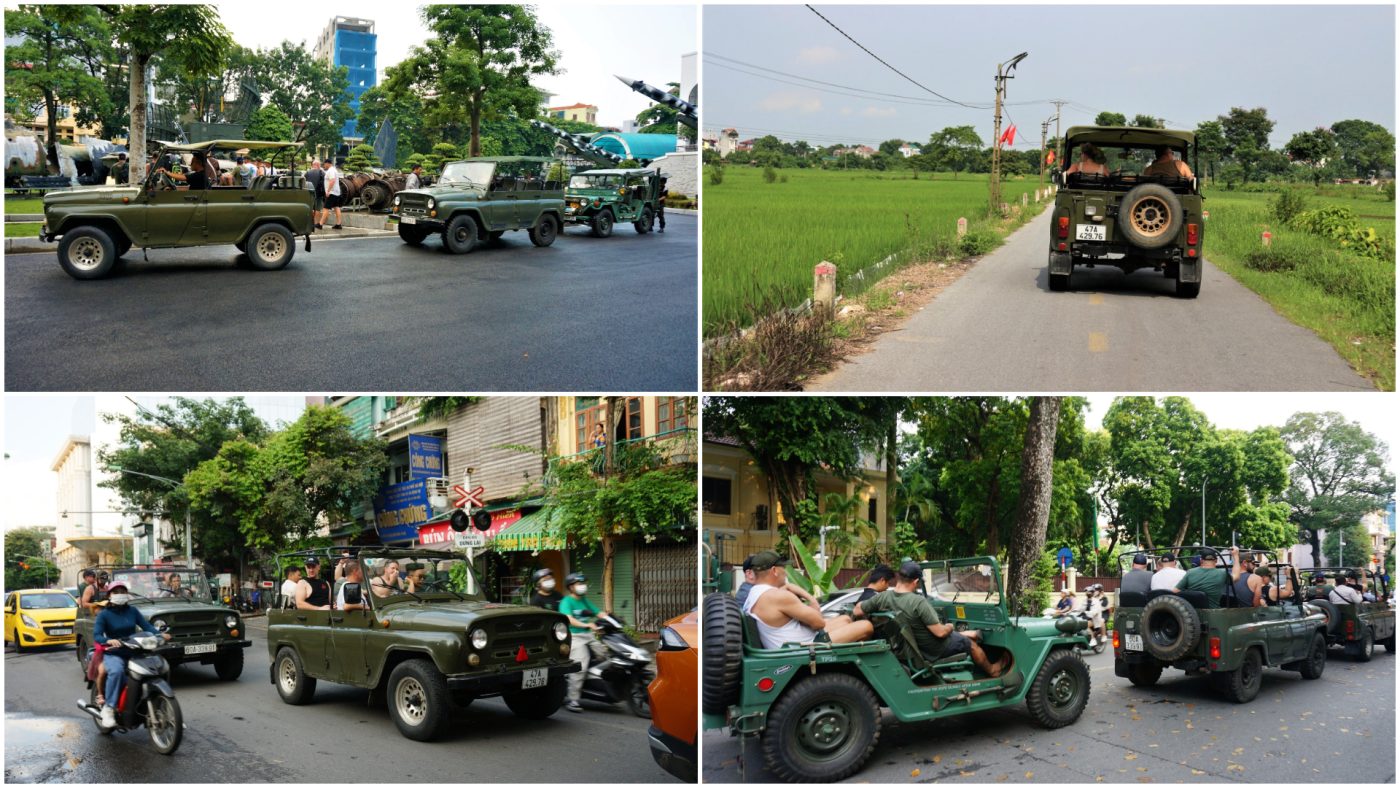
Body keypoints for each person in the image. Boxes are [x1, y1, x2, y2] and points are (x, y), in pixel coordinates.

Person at [855, 561, 1009, 677]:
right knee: (971, 644)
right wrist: (949, 626)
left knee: (953, 633)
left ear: (899, 578)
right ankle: (993, 670)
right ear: (916, 582)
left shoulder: (883, 597)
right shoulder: (918, 602)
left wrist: (870, 607)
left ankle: (969, 633)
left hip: (906, 646)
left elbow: (857, 609)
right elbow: (940, 633)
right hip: (931, 649)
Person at [742, 550, 873, 650]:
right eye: (785, 569)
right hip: (802, 648)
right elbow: (819, 623)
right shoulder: (778, 596)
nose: (787, 573)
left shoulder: (754, 594)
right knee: (866, 626)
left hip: (793, 643)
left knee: (845, 619)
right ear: (774, 570)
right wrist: (811, 598)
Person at [93, 582, 170, 730]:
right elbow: (97, 635)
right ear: (109, 595)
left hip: (135, 650)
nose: (120, 594)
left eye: (123, 591)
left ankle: (163, 708)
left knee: (159, 668)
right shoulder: (104, 614)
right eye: (116, 592)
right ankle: (109, 708)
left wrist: (160, 635)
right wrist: (108, 640)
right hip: (114, 652)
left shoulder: (133, 611)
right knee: (116, 672)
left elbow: (146, 627)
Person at [560, 572, 601, 712]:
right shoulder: (566, 601)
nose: (582, 586)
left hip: (588, 635)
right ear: (571, 587)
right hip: (575, 637)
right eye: (579, 583)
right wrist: (587, 625)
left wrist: (613, 619)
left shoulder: (584, 600)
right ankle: (573, 700)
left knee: (605, 655)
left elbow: (598, 612)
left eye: (583, 583)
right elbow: (569, 619)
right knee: (580, 666)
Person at [304, 158, 325, 230]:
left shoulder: (307, 172)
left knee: (311, 209)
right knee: (318, 209)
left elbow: (304, 182)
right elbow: (324, 184)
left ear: (312, 165)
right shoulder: (322, 173)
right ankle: (316, 223)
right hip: (319, 194)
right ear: (318, 165)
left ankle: (311, 223)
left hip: (309, 193)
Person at [324, 158, 344, 229]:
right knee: (336, 207)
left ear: (327, 163)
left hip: (332, 192)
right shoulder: (334, 170)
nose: (324, 166)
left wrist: (328, 191)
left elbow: (332, 181)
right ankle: (338, 224)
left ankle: (320, 224)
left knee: (326, 208)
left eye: (324, 164)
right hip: (336, 192)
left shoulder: (331, 170)